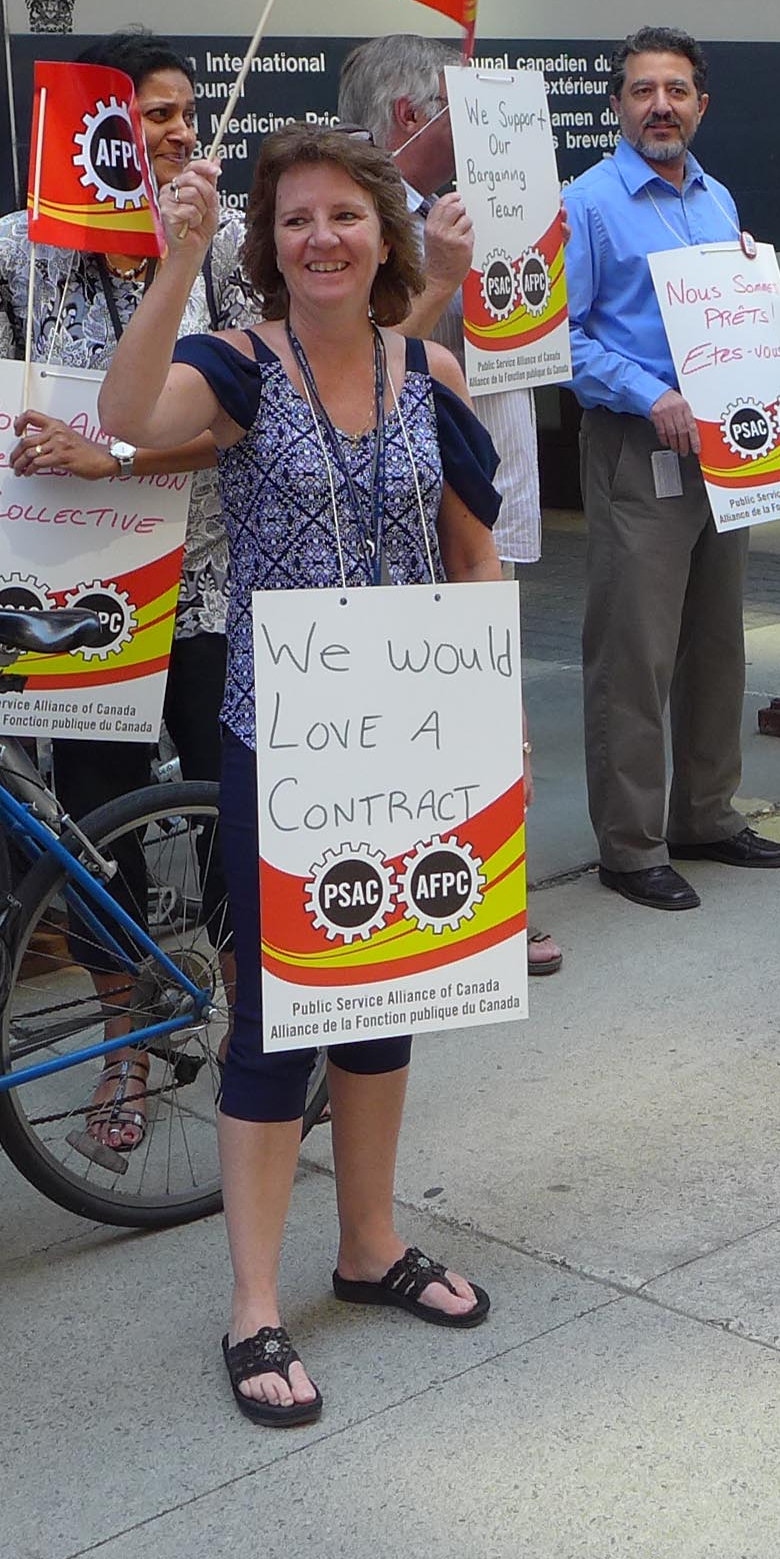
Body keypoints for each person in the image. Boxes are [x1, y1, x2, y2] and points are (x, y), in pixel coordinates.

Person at [95, 128, 506, 1430]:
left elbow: (472, 554)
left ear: (386, 236)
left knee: (387, 988)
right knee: (275, 1019)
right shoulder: (236, 366)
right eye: (292, 220)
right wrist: (176, 260)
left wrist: (495, 721)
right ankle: (254, 1304)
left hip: (415, 733)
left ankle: (370, 1244)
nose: (319, 238)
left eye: (342, 215)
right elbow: (123, 421)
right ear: (266, 246)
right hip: (285, 740)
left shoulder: (430, 371)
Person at [0, 27, 252, 1155]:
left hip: (205, 578)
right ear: (92, 130)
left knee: (229, 806)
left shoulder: (226, 247)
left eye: (185, 113)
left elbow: (260, 413)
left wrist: (114, 454)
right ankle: (121, 1042)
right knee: (92, 823)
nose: (176, 134)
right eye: (151, 114)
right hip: (73, 587)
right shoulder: (17, 251)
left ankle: (248, 1028)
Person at [338, 32, 563, 975]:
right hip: (392, 507)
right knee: (402, 714)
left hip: (477, 492)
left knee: (483, 701)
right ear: (410, 114)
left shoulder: (467, 207)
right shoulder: (352, 218)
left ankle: (488, 899)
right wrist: (439, 279)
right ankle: (395, 902)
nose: (478, 133)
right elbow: (347, 360)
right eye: (461, 110)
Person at [562, 26, 780, 909]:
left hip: (726, 445)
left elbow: (735, 316)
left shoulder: (715, 197)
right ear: (616, 105)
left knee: (716, 643)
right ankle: (630, 846)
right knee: (635, 652)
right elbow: (559, 337)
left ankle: (704, 813)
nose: (659, 106)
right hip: (638, 445)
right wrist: (647, 390)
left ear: (701, 104)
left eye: (675, 91)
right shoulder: (585, 204)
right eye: (641, 90)